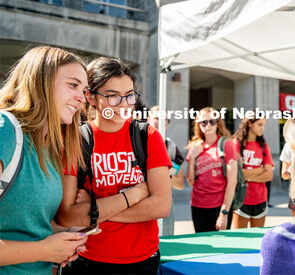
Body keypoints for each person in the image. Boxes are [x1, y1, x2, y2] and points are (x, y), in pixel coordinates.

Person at [56, 57, 172, 274]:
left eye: (129, 95)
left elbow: (161, 206)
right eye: (112, 97)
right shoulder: (77, 139)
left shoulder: (147, 136)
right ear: (90, 97)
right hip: (87, 260)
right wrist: (133, 196)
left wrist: (92, 209)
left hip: (142, 261)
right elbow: (67, 216)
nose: (124, 105)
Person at [0, 46, 91, 274]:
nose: (82, 98)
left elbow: (29, 225)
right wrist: (44, 251)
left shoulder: (49, 147)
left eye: (85, 89)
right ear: (41, 81)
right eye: (73, 85)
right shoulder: (6, 130)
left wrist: (63, 240)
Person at [186, 107, 237, 232]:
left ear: (217, 124)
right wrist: (192, 158)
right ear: (199, 125)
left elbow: (232, 182)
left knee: (222, 246)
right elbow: (191, 181)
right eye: (204, 122)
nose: (208, 125)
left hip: (219, 206)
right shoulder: (195, 147)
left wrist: (224, 213)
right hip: (198, 206)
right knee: (203, 247)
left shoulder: (226, 145)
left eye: (212, 121)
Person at [147, 105, 185, 236]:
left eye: (165, 120)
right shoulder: (136, 143)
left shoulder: (171, 147)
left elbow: (180, 185)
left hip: (164, 204)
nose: (161, 122)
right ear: (148, 119)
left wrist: (164, 175)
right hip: (141, 204)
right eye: (157, 118)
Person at [232, 115, 274, 229]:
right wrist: (260, 169)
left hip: (260, 199)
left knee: (257, 240)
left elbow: (269, 175)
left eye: (264, 125)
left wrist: (247, 176)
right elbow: (237, 174)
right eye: (260, 124)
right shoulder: (236, 144)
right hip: (241, 199)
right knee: (240, 241)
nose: (263, 128)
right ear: (250, 124)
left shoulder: (263, 146)